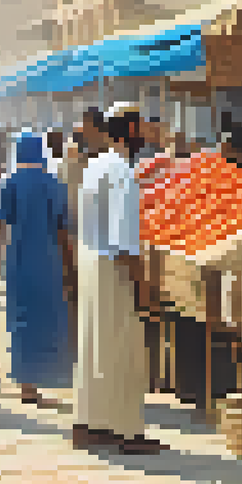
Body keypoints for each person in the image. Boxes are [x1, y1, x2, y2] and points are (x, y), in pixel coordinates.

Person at [74, 103, 167, 454]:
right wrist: (143, 287)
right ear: (129, 130)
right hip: (113, 271)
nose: (145, 134)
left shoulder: (95, 166)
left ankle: (90, 424)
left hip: (92, 266)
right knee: (123, 353)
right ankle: (129, 433)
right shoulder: (121, 172)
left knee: (95, 349)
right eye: (141, 127)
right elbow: (124, 241)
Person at [0, 132, 75, 409]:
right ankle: (47, 377)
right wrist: (70, 270)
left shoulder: (8, 184)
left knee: (22, 320)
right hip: (49, 265)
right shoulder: (56, 186)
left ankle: (28, 385)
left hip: (20, 262)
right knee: (48, 321)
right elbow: (64, 235)